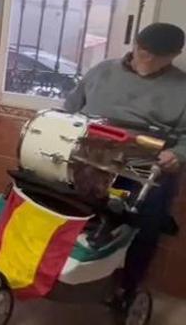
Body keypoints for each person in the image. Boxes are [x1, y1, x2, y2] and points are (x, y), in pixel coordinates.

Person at [63, 22, 185, 305]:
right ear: (135, 46)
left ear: (174, 55)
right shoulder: (103, 71)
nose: (148, 60)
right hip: (89, 151)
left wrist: (177, 154)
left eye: (157, 56)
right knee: (51, 190)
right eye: (143, 52)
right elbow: (68, 109)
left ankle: (126, 286)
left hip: (140, 160)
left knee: (140, 214)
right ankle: (62, 260)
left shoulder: (182, 88)